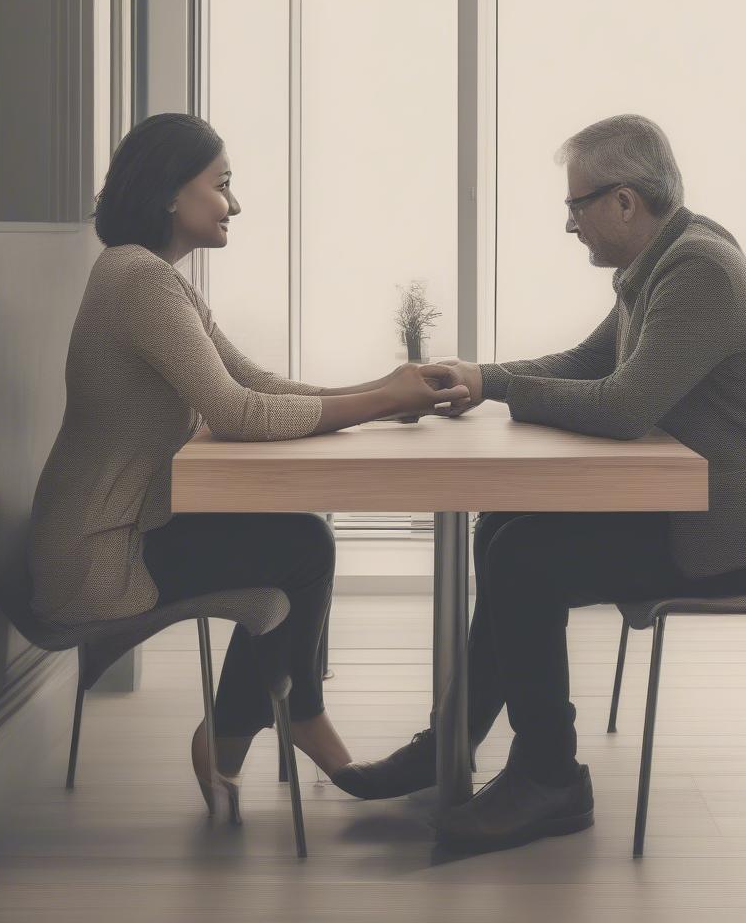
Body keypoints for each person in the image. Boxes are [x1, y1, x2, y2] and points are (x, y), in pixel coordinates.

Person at [334, 113, 746, 852]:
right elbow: (588, 362)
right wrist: (484, 377)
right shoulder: (663, 262)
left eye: (577, 206)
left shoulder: (697, 271)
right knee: (505, 525)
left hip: (739, 532)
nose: (570, 225)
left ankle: (550, 777)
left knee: (523, 558)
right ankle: (453, 744)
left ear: (625, 201)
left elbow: (626, 405)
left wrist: (499, 389)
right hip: (701, 507)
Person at [26, 112, 468, 818]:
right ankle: (269, 725)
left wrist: (384, 395)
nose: (234, 203)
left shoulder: (152, 278)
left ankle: (246, 732)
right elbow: (239, 412)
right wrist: (380, 399)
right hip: (95, 560)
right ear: (173, 192)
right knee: (299, 544)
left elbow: (257, 383)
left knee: (297, 539)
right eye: (222, 185)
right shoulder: (139, 281)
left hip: (110, 536)